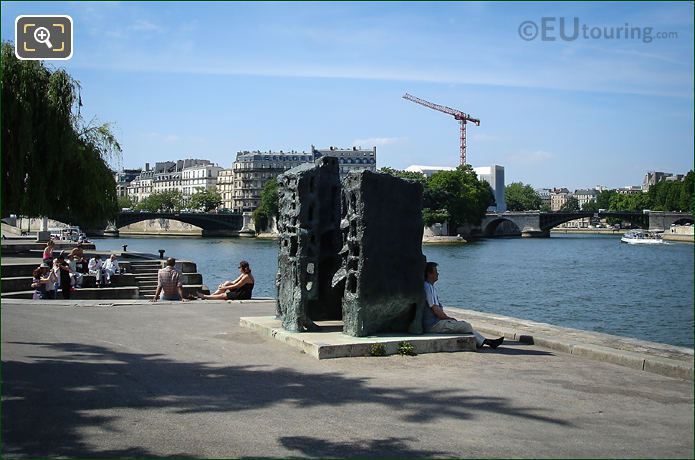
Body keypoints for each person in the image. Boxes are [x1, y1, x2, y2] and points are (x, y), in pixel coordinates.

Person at [423, 261, 503, 349]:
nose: (438, 273)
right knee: (466, 326)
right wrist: (448, 318)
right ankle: (488, 342)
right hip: (433, 325)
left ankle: (488, 341)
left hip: (435, 322)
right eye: (435, 271)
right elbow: (436, 309)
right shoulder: (428, 287)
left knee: (463, 325)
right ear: (429, 274)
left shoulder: (429, 286)